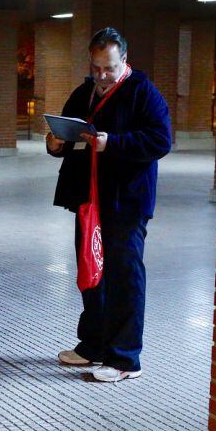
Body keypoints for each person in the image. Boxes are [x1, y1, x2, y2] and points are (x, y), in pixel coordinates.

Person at [45, 27, 171, 383]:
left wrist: (111, 143)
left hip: (126, 200)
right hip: (89, 199)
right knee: (92, 270)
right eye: (96, 67)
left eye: (109, 69)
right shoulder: (84, 91)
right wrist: (55, 144)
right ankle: (94, 345)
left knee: (124, 277)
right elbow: (67, 135)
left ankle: (126, 358)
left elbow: (160, 140)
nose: (101, 76)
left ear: (124, 61)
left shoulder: (143, 92)